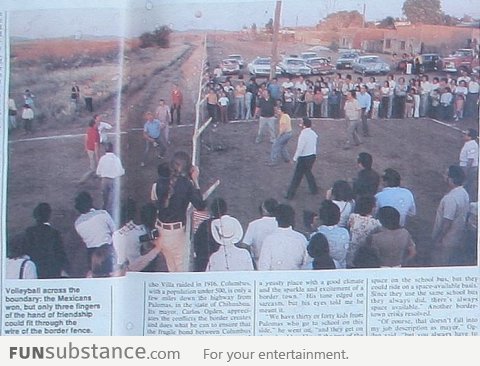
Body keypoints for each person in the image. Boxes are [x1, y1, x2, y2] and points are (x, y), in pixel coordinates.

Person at [153, 152, 206, 272]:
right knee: (181, 269)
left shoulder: (160, 181)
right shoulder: (186, 185)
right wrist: (195, 181)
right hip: (175, 232)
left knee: (171, 266)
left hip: (160, 229)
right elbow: (200, 205)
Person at [431, 165, 470, 266]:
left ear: (451, 179)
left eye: (446, 174)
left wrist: (438, 240)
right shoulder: (464, 192)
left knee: (439, 264)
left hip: (446, 240)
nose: (444, 177)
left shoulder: (451, 198)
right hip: (457, 236)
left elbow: (447, 222)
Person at [112, 200, 163, 273]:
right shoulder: (142, 233)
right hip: (135, 267)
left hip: (120, 264)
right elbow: (147, 249)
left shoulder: (118, 231)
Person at [24, 203, 69, 279]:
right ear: (49, 216)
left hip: (35, 269)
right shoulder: (55, 233)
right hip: (52, 270)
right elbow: (60, 254)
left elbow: (26, 251)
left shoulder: (29, 231)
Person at [74, 191, 116, 272]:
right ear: (90, 202)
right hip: (107, 250)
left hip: (91, 254)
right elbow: (115, 230)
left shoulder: (77, 223)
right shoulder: (103, 213)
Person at [257, 204, 308, 271]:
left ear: (276, 219)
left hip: (275, 279)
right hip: (296, 279)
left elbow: (263, 267)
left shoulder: (269, 240)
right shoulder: (301, 238)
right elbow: (306, 264)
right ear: (293, 219)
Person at [285, 117, 318, 200]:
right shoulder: (313, 133)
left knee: (297, 176)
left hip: (304, 158)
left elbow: (300, 148)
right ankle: (314, 189)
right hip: (312, 156)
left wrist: (294, 159)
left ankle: (290, 195)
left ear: (304, 125)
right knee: (308, 173)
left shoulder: (303, 135)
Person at [346, 195, 381, 268]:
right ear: (372, 208)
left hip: (350, 255)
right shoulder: (375, 223)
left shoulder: (352, 217)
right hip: (365, 257)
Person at [313, 200, 350, 269]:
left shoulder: (316, 235)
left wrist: (313, 228)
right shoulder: (345, 232)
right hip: (341, 268)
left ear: (320, 218)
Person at [193, 197, 226, 272]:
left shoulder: (204, 224)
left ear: (212, 210)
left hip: (203, 262)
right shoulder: (228, 224)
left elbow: (196, 242)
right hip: (221, 262)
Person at [242, 198, 279, 266]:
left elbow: (245, 246)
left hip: (258, 264)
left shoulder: (254, 225)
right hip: (278, 264)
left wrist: (251, 263)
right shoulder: (280, 224)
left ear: (264, 210)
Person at [96, 142, 125, 217]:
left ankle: (104, 211)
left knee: (105, 198)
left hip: (104, 180)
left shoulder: (102, 159)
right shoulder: (116, 159)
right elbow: (121, 172)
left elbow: (98, 172)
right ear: (112, 150)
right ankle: (112, 213)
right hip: (114, 180)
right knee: (113, 199)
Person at [459, 128, 478, 202]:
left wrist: (465, 171)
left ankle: (466, 201)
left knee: (466, 185)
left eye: (465, 134)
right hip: (468, 167)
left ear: (470, 137)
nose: (463, 135)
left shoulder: (472, 145)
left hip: (469, 168)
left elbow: (470, 159)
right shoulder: (469, 144)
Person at [79, 118, 100, 183]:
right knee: (94, 166)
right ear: (93, 124)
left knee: (92, 164)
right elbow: (95, 144)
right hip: (93, 149)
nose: (97, 124)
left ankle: (94, 175)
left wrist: (86, 147)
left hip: (89, 149)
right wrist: (97, 155)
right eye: (96, 123)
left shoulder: (89, 130)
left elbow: (86, 138)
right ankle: (84, 180)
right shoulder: (95, 132)